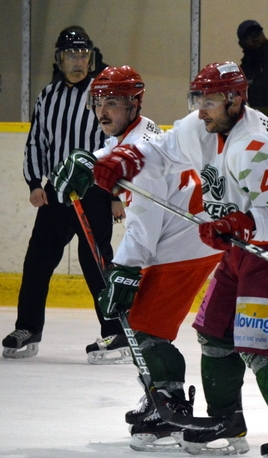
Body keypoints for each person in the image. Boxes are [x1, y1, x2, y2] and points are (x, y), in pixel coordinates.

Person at [90, 62, 268, 458]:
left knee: (259, 346)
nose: (201, 110)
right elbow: (163, 150)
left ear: (236, 100)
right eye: (197, 100)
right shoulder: (207, 124)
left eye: (211, 101)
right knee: (214, 334)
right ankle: (225, 421)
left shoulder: (254, 146)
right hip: (240, 243)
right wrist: (125, 156)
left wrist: (240, 221)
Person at [50, 65, 223, 451]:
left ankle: (170, 406)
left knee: (145, 327)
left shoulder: (140, 155)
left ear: (134, 104)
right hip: (180, 239)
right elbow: (112, 155)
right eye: (98, 102)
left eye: (112, 102)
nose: (102, 111)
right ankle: (160, 398)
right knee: (143, 325)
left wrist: (125, 271)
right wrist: (88, 163)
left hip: (183, 243)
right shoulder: (135, 135)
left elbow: (144, 226)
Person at [2, 27, 126, 362]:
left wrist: (115, 192)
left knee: (96, 261)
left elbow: (116, 145)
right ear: (59, 58)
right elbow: (36, 141)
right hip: (57, 192)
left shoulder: (103, 96)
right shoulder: (47, 96)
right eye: (71, 54)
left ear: (92, 57)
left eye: (83, 54)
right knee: (38, 259)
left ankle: (115, 332)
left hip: (95, 191)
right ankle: (28, 327)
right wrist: (34, 183)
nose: (78, 61)